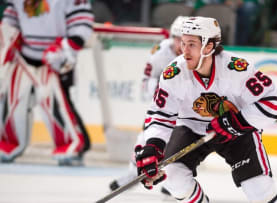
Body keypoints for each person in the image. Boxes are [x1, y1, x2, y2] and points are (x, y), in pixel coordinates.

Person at [135, 16, 277, 203]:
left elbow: (272, 102)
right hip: (191, 128)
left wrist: (236, 123)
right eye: (183, 42)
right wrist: (152, 146)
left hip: (236, 131)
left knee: (260, 189)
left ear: (208, 47)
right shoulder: (173, 73)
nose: (183, 50)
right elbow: (160, 115)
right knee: (173, 177)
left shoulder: (236, 69)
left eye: (191, 44)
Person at [0, 0, 93, 166]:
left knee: (56, 104)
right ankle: (9, 143)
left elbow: (82, 24)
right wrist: (7, 36)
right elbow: (11, 18)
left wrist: (67, 48)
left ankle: (72, 144)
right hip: (23, 57)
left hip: (55, 58)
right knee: (13, 101)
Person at [109, 16, 186, 192]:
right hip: (165, 104)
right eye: (178, 39)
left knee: (182, 143)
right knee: (146, 139)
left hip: (188, 106)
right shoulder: (160, 53)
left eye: (186, 40)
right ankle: (132, 173)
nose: (181, 45)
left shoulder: (198, 55)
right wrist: (161, 95)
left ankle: (175, 181)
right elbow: (146, 81)